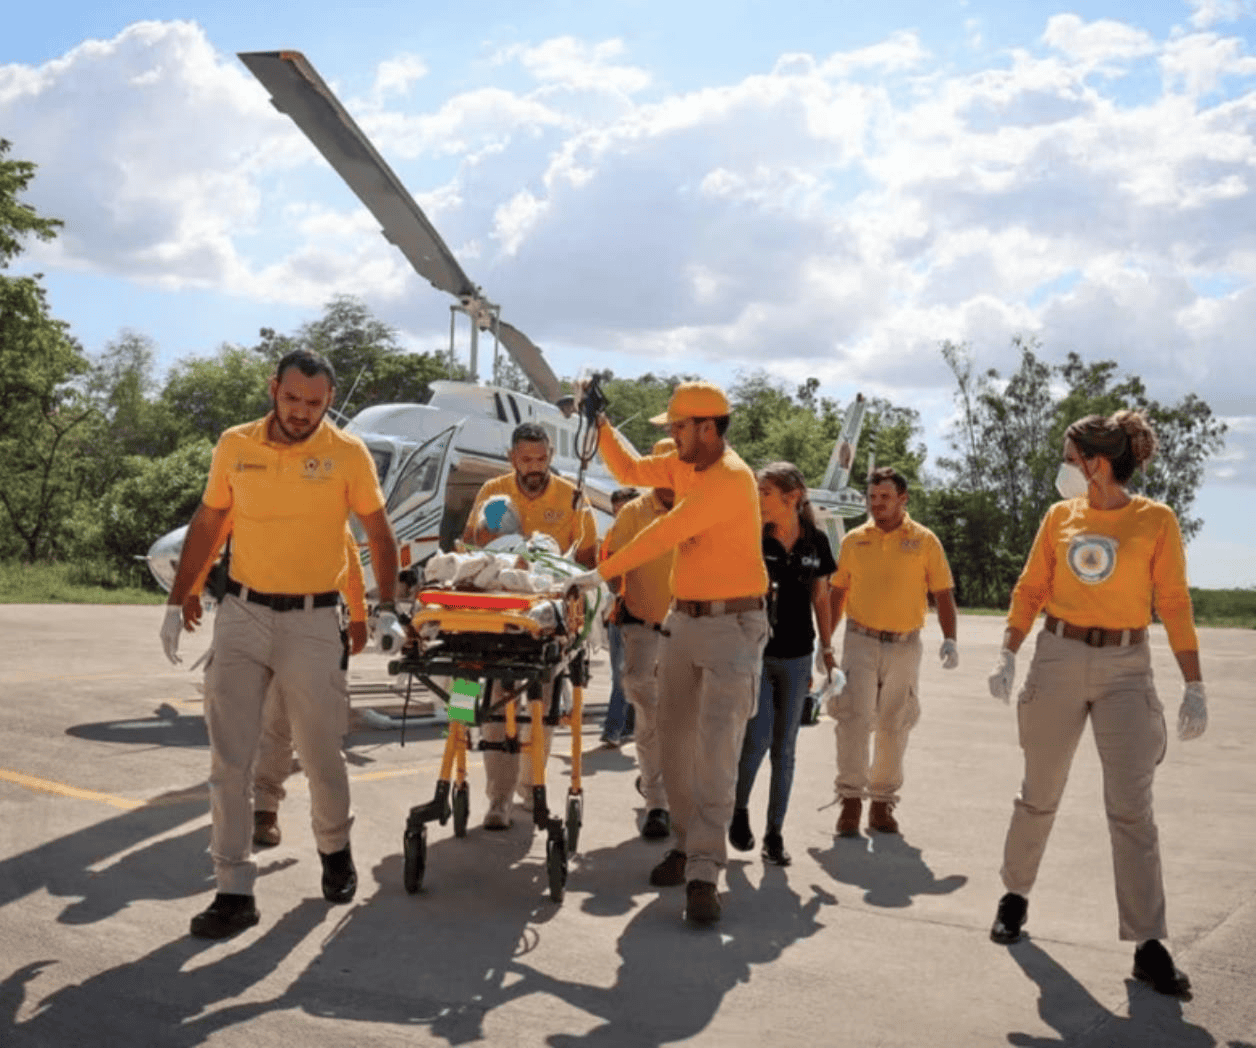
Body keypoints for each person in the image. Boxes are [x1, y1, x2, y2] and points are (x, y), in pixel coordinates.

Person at [160, 348, 400, 940]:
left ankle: (334, 849)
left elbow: (377, 529)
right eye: (292, 399)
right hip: (242, 613)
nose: (301, 412)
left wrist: (385, 606)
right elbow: (212, 519)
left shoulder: (347, 453)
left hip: (315, 622)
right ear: (274, 388)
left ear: (329, 401)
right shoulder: (235, 445)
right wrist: (178, 596)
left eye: (315, 404)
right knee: (229, 760)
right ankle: (234, 889)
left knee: (321, 754)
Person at [986, 410, 1208, 998]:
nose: (1065, 467)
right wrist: (1009, 649)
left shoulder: (1155, 520)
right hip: (1058, 657)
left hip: (1126, 668)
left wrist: (1195, 683)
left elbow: (1174, 600)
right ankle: (1014, 897)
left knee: (1133, 808)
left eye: (1069, 456)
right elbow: (1031, 587)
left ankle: (1149, 942)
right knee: (1040, 790)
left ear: (1096, 462)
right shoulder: (1060, 516)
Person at [563, 381, 769, 926]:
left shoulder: (731, 478)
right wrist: (600, 424)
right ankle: (685, 843)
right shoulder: (685, 467)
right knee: (673, 744)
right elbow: (629, 471)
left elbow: (666, 531)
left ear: (707, 427)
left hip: (734, 627)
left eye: (678, 428)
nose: (672, 438)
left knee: (717, 748)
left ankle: (704, 869)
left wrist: (598, 575)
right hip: (683, 621)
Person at [184, 518, 369, 848]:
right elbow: (211, 537)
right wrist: (193, 588)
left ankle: (309, 829)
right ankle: (262, 810)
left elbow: (349, 556)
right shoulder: (252, 492)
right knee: (264, 722)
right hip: (251, 620)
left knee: (297, 729)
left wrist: (359, 614)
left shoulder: (321, 500)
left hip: (310, 624)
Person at [463, 421, 599, 829]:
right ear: (512, 458)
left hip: (548, 621)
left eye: (541, 459)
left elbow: (588, 558)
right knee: (496, 707)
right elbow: (472, 545)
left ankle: (531, 788)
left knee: (541, 707)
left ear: (552, 456)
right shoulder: (493, 493)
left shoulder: (571, 496)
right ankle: (498, 799)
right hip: (502, 616)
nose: (535, 467)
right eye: (526, 460)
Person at [828, 466, 958, 838]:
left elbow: (943, 592)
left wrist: (950, 638)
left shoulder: (924, 540)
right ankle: (850, 802)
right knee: (853, 718)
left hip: (904, 644)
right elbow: (838, 593)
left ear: (903, 499)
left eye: (884, 497)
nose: (876, 504)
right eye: (871, 497)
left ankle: (882, 804)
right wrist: (825, 643)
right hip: (860, 640)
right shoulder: (854, 540)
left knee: (894, 722)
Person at [730, 462, 836, 866]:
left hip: (798, 655)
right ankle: (738, 812)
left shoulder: (816, 543)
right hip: (756, 654)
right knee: (755, 740)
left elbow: (822, 600)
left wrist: (828, 651)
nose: (759, 500)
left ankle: (775, 834)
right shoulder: (752, 539)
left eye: (765, 493)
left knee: (785, 749)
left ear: (792, 498)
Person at [600, 447, 678, 842]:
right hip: (644, 632)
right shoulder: (632, 514)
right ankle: (657, 803)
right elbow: (614, 565)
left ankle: (673, 790)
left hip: (694, 633)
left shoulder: (701, 506)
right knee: (649, 721)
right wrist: (610, 596)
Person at [598, 487, 639, 749]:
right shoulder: (614, 536)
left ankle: (618, 728)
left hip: (632, 613)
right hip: (620, 613)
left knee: (625, 674)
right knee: (625, 673)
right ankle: (460, 722)